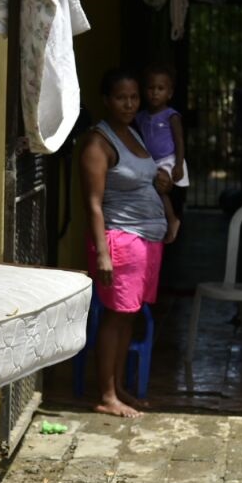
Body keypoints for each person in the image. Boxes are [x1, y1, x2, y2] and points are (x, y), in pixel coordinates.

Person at [81, 68, 174, 418]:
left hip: (146, 241)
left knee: (129, 317)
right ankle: (106, 395)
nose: (129, 103)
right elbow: (92, 203)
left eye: (134, 97)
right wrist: (102, 254)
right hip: (120, 239)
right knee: (115, 317)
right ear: (106, 100)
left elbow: (147, 182)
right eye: (121, 97)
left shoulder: (133, 133)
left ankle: (118, 387)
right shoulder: (98, 142)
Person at [134, 65, 187, 242]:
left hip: (168, 160)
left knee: (161, 189)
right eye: (151, 88)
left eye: (160, 89)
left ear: (169, 93)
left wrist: (178, 164)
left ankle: (172, 220)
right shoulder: (140, 116)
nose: (155, 93)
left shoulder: (171, 115)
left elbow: (179, 141)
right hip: (151, 162)